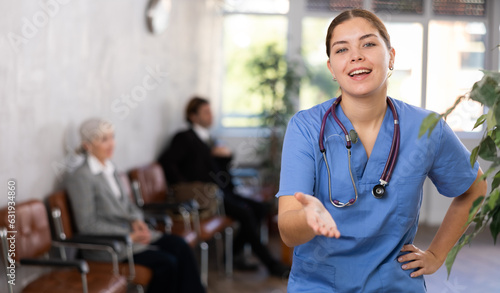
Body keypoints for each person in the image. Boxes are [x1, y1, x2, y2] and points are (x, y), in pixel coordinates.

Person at [276, 9, 487, 292]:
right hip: (319, 284)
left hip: (395, 285)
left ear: (391, 56)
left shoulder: (426, 127)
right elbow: (288, 231)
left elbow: (474, 188)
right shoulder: (306, 127)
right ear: (332, 68)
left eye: (368, 43)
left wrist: (437, 255)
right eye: (342, 49)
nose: (356, 56)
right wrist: (308, 217)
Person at [64, 118, 206, 293]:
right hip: (111, 246)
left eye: (112, 137)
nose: (111, 144)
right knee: (167, 263)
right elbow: (87, 225)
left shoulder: (110, 167)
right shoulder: (81, 177)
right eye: (104, 140)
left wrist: (137, 222)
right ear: (87, 145)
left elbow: (128, 205)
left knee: (180, 246)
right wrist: (130, 235)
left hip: (131, 235)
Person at [158, 96, 290, 278]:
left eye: (210, 111)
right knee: (245, 213)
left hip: (223, 192)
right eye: (205, 112)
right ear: (193, 116)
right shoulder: (185, 137)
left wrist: (224, 157)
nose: (210, 116)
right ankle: (271, 263)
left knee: (260, 208)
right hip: (207, 197)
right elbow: (167, 162)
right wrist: (189, 187)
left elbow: (215, 168)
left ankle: (232, 255)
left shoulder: (209, 139)